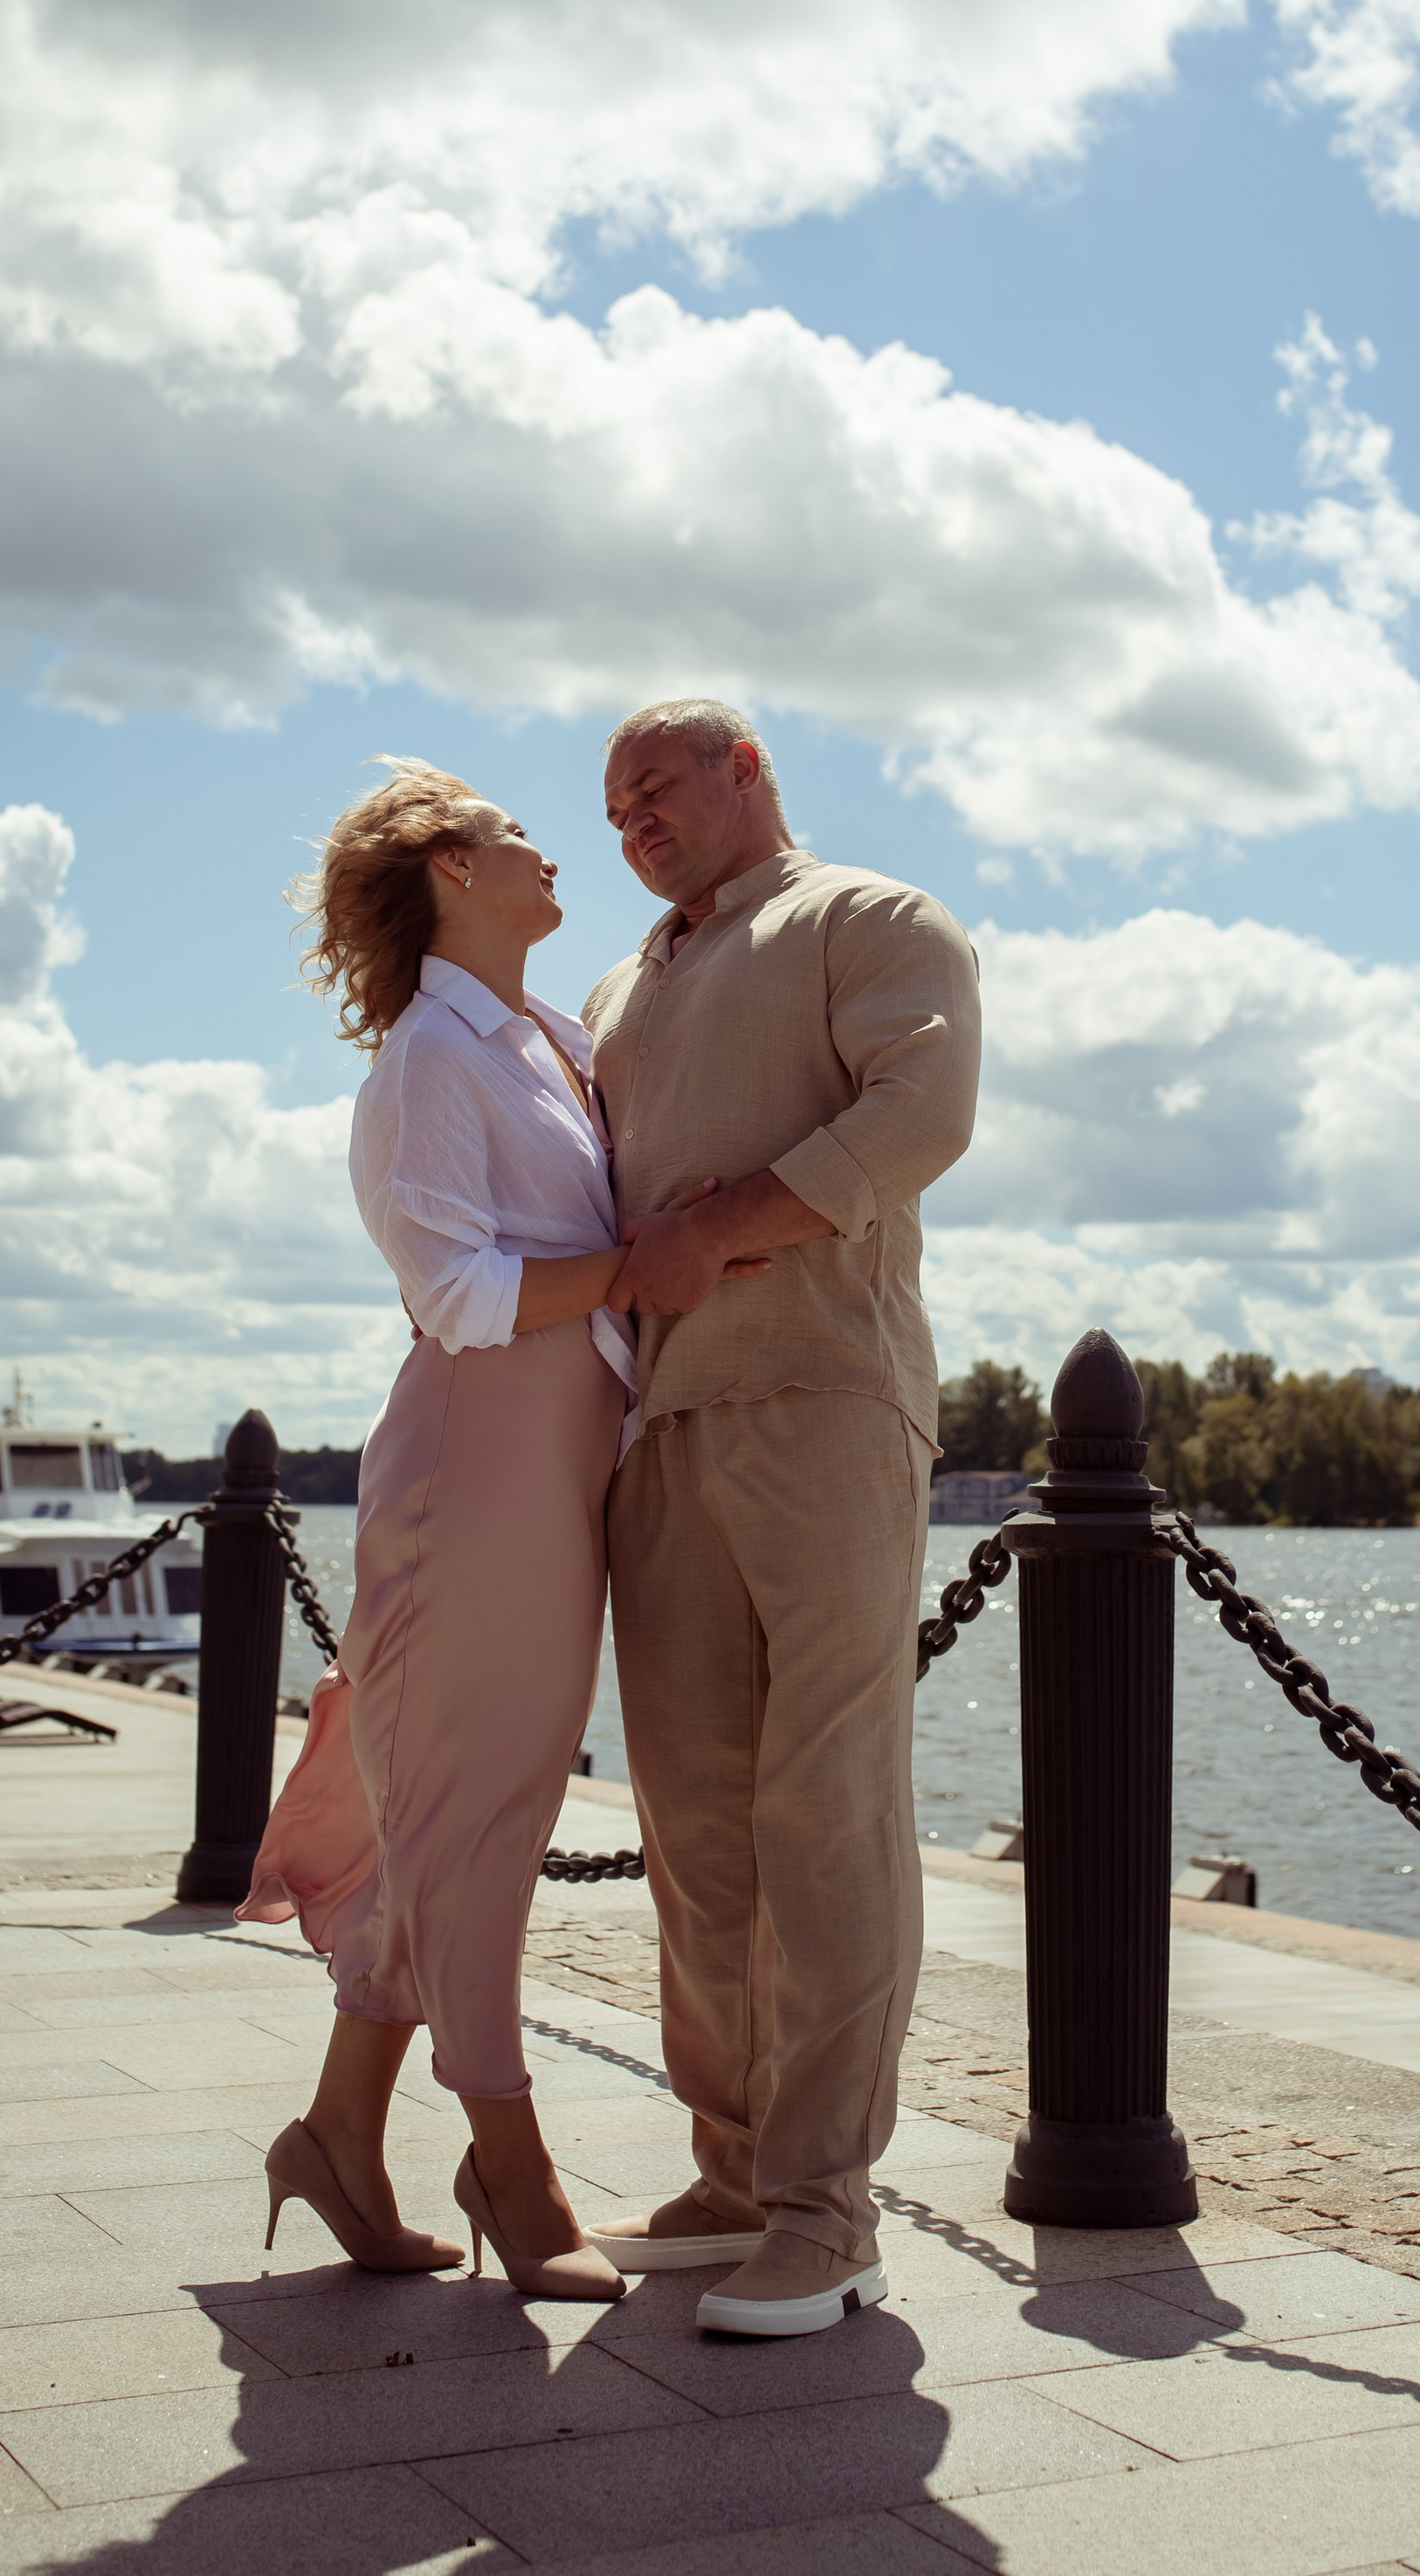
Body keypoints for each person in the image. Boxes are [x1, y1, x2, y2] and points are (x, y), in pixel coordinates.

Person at [240, 757, 770, 2297]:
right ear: (448, 869)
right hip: (476, 1469)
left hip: (555, 1465)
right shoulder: (425, 1061)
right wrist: (639, 1268)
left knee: (466, 1804)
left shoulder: (547, 1034)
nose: (555, 851)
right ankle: (512, 2165)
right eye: (517, 834)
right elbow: (456, 1291)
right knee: (482, 1818)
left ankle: (341, 2132)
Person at [585, 698, 981, 2340]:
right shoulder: (620, 986)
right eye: (612, 808)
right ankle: (736, 2171)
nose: (632, 821)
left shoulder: (869, 920)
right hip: (655, 1433)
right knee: (692, 1827)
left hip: (823, 1402)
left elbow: (924, 1115)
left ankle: (829, 2210)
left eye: (655, 786)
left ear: (746, 767)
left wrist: (724, 1233)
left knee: (828, 1810)